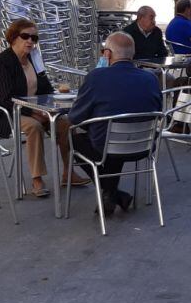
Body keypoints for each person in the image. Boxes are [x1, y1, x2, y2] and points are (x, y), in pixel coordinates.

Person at [0, 18, 89, 198]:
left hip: (35, 110)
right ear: (14, 37)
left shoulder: (34, 58)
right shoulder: (2, 62)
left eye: (34, 38)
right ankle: (37, 179)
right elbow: (7, 99)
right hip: (5, 113)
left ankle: (68, 173)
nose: (30, 41)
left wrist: (56, 101)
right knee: (34, 127)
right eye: (26, 36)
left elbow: (46, 89)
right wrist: (34, 113)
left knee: (66, 125)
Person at [68, 32, 162, 216]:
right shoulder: (150, 78)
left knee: (76, 138)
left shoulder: (96, 77)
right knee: (112, 137)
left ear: (108, 54)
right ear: (132, 54)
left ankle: (112, 193)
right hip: (144, 144)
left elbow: (75, 117)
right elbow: (157, 110)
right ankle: (113, 194)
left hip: (108, 146)